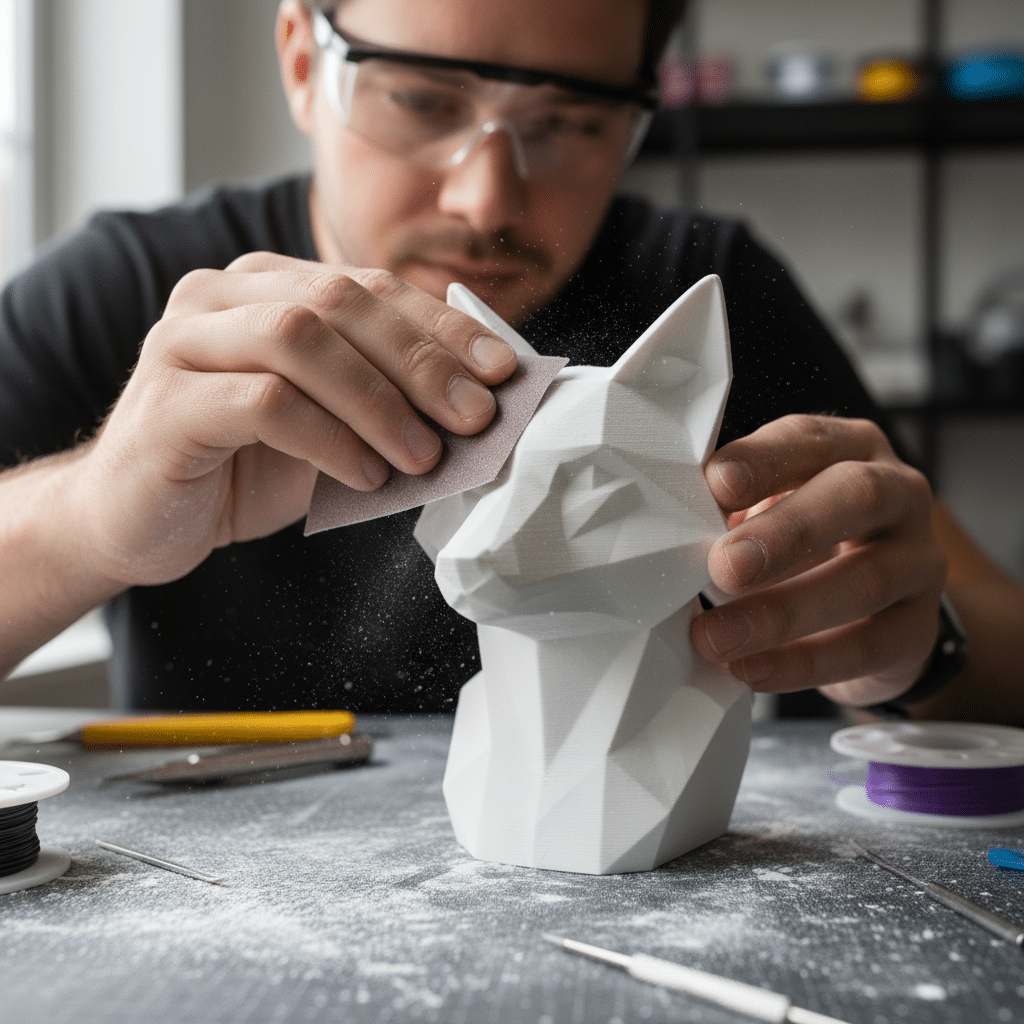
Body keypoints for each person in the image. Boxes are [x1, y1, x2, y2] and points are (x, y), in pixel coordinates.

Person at [0, 0, 1021, 722]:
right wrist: (90, 521)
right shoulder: (131, 293)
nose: (484, 197)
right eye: (422, 100)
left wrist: (916, 646)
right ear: (305, 64)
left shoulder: (710, 288)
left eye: (567, 123)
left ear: (635, 122)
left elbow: (984, 633)